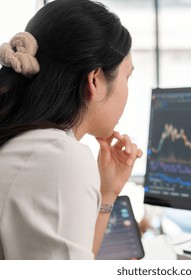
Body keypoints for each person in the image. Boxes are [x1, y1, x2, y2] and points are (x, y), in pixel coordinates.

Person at [0, 0, 142, 259]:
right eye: (127, 77)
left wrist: (108, 191)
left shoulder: (28, 141)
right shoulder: (58, 156)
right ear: (95, 80)